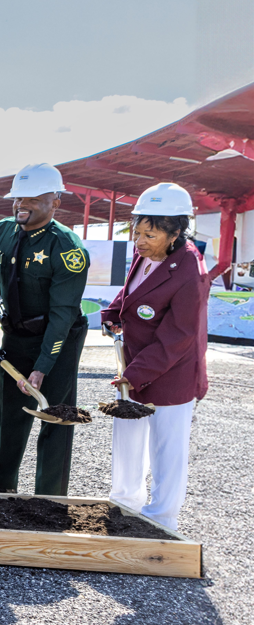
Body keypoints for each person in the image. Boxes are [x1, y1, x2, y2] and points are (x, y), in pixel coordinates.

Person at [102, 183, 211, 532]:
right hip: (135, 366)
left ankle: (162, 517)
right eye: (137, 232)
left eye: (150, 234)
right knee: (127, 434)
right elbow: (131, 290)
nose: (140, 241)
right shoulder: (145, 253)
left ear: (176, 232)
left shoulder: (190, 271)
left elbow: (178, 336)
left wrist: (136, 373)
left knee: (167, 446)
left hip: (171, 372)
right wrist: (113, 312)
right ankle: (125, 500)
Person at [0, 163, 90, 495]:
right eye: (17, 198)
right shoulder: (0, 232)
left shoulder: (67, 248)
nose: (21, 205)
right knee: (11, 413)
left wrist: (42, 366)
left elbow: (63, 315)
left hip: (58, 338)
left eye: (32, 199)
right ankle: (1, 486)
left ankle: (50, 497)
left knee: (55, 417)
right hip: (15, 336)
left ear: (56, 201)